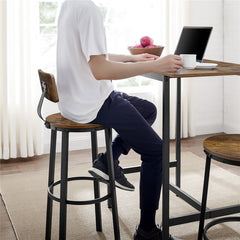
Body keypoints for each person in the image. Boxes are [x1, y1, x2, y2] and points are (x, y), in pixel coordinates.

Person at [57, 0, 183, 239]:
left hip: (75, 98)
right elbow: (101, 70)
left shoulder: (70, 4)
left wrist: (132, 58)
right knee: (157, 151)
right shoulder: (89, 9)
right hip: (93, 101)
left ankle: (108, 159)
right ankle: (147, 230)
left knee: (148, 109)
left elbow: (93, 56)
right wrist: (155, 64)